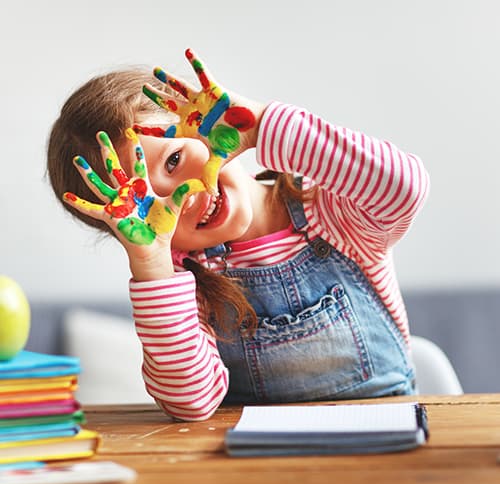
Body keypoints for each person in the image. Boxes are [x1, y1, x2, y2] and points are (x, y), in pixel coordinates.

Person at [47, 49, 430, 421]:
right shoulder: (184, 281)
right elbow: (191, 404)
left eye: (174, 160)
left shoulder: (332, 212)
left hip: (387, 438)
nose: (184, 196)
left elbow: (403, 188)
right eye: (145, 204)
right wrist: (152, 265)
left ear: (207, 126)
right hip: (256, 468)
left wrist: (259, 125)